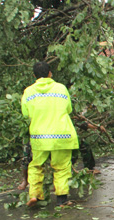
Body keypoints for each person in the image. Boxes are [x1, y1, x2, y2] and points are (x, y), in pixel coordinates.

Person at [21, 61, 79, 207]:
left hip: (39, 137)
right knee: (62, 167)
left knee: (35, 166)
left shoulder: (28, 92)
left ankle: (35, 194)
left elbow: (25, 113)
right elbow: (68, 109)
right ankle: (61, 199)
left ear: (34, 75)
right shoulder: (61, 88)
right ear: (50, 73)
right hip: (62, 135)